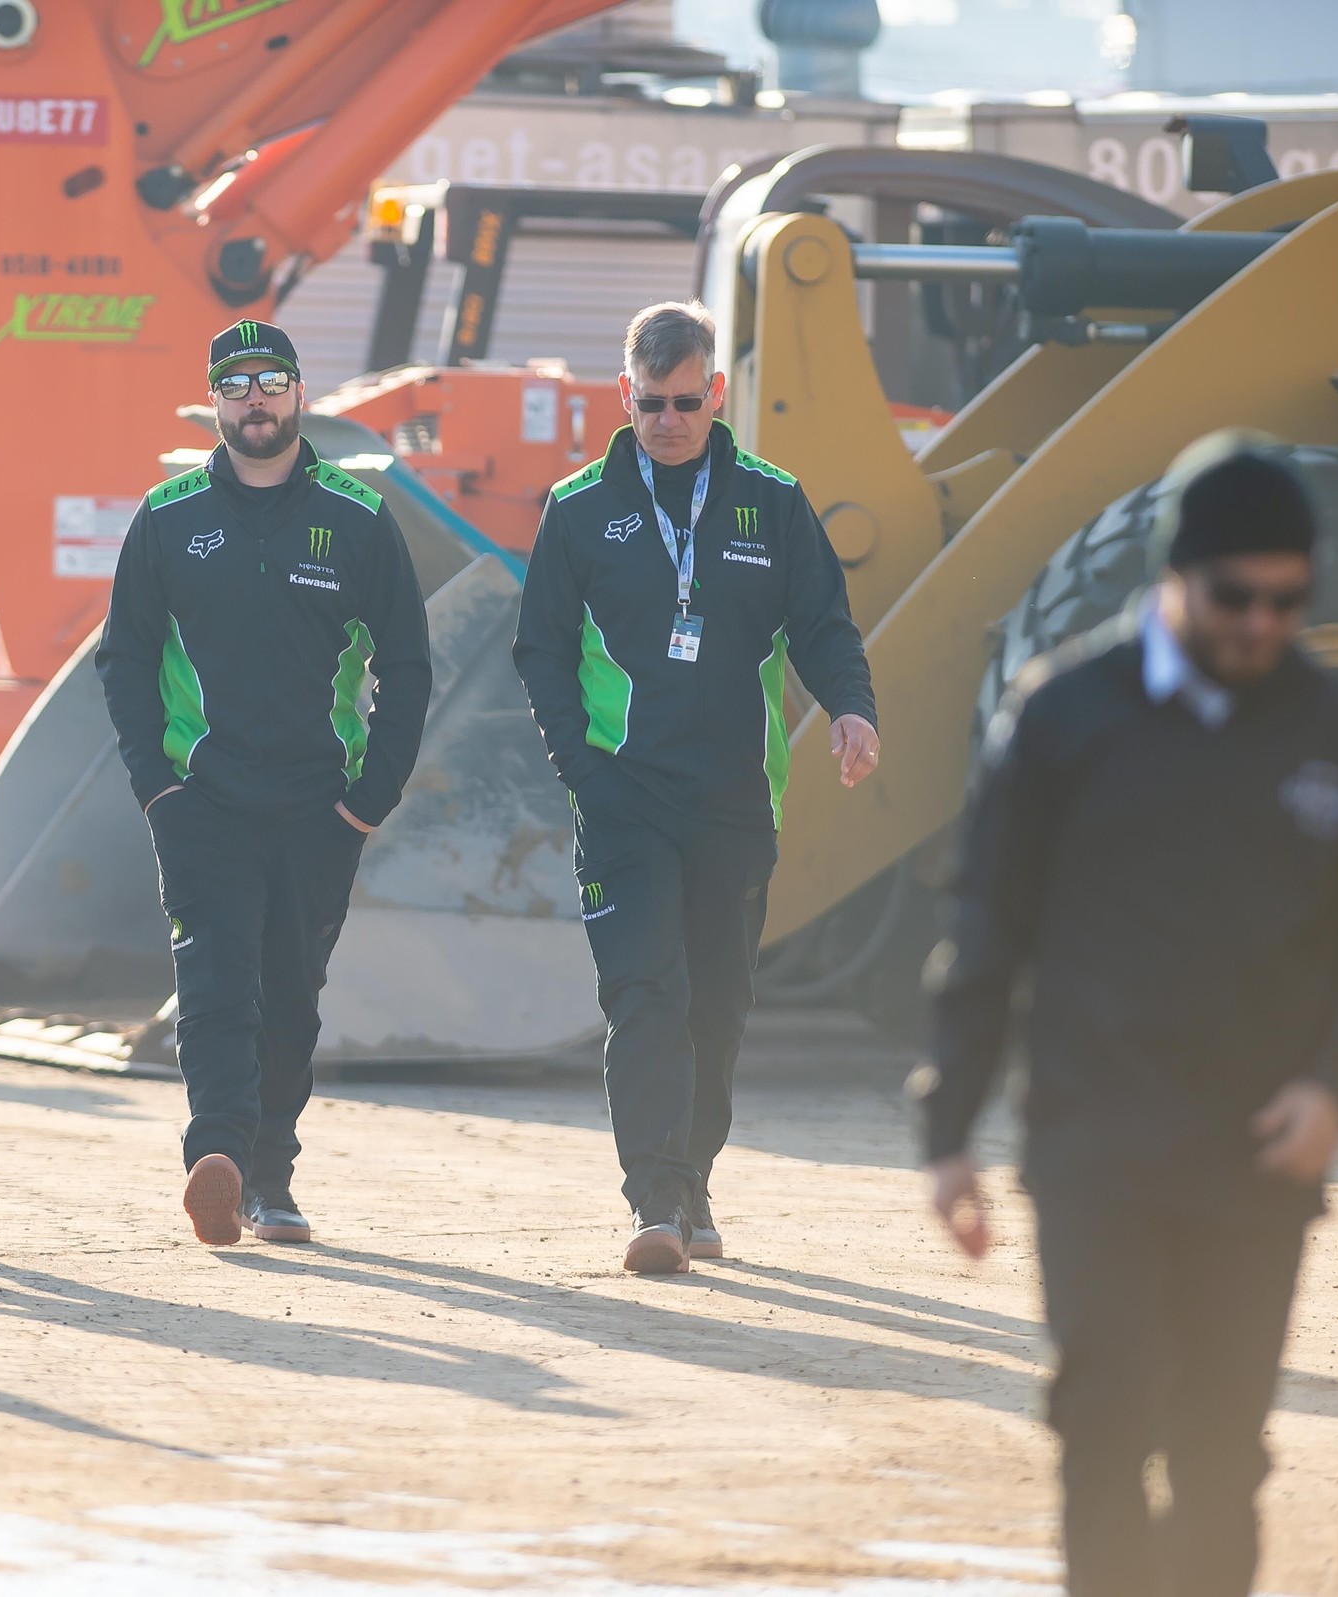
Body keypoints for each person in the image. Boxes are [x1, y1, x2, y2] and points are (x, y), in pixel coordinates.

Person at [921, 433, 1338, 1596]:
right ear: (1175, 575)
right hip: (1097, 1144)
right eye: (1236, 596)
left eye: (1289, 599)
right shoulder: (1062, 718)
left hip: (1260, 1158)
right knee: (1103, 1424)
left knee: (1219, 1455)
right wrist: (948, 1130)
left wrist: (1333, 1089)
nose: (1261, 623)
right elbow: (988, 928)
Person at [511, 300, 879, 1275]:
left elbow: (824, 627)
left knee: (717, 1005)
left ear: (716, 393)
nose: (668, 420)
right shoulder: (578, 508)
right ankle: (655, 1200)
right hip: (623, 798)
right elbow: (540, 651)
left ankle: (693, 1180)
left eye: (685, 401)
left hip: (736, 799)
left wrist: (851, 708)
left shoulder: (773, 502)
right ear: (623, 395)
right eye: (650, 403)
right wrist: (581, 770)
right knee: (647, 990)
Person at [96, 319, 431, 1247]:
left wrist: (371, 797)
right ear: (214, 399)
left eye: (271, 381)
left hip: (321, 806)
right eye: (236, 383)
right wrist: (156, 785)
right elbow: (123, 660)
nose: (255, 399)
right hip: (201, 802)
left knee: (290, 996)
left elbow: (407, 664)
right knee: (214, 983)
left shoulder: (357, 518)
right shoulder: (167, 517)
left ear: (299, 394)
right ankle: (218, 1154)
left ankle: (269, 1176)